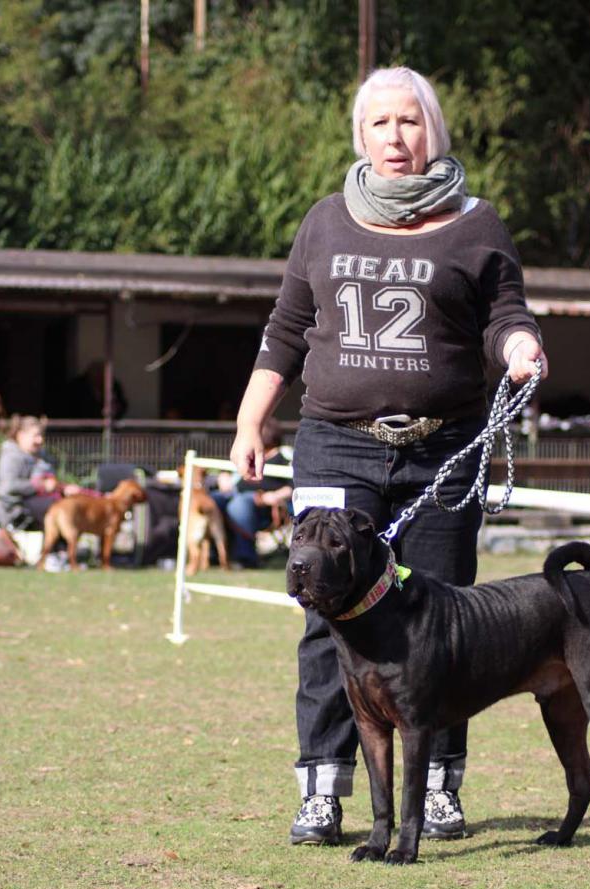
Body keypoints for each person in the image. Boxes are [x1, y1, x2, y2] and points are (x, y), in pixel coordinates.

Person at [230, 66, 548, 846]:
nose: (396, 137)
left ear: (432, 130)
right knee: (323, 610)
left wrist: (520, 346)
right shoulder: (325, 220)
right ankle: (321, 788)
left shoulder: (476, 222)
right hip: (336, 444)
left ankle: (437, 787)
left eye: (410, 121)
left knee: (445, 618)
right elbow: (287, 328)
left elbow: (504, 313)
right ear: (360, 135)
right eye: (380, 123)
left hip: (442, 447)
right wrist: (250, 420)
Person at [213, 419, 293, 569]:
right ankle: (215, 554)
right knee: (213, 500)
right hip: (234, 493)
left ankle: (245, 556)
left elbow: (294, 484)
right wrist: (224, 476)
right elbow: (228, 472)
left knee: (239, 504)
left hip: (266, 504)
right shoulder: (249, 454)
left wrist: (276, 495)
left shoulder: (284, 455)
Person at [0, 415, 80, 529]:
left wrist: (63, 488)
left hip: (39, 500)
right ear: (21, 435)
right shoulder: (10, 457)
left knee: (71, 503)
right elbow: (7, 487)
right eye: (35, 435)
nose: (40, 440)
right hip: (16, 507)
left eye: (41, 435)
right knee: (59, 508)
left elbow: (48, 482)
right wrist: (40, 485)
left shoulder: (39, 456)